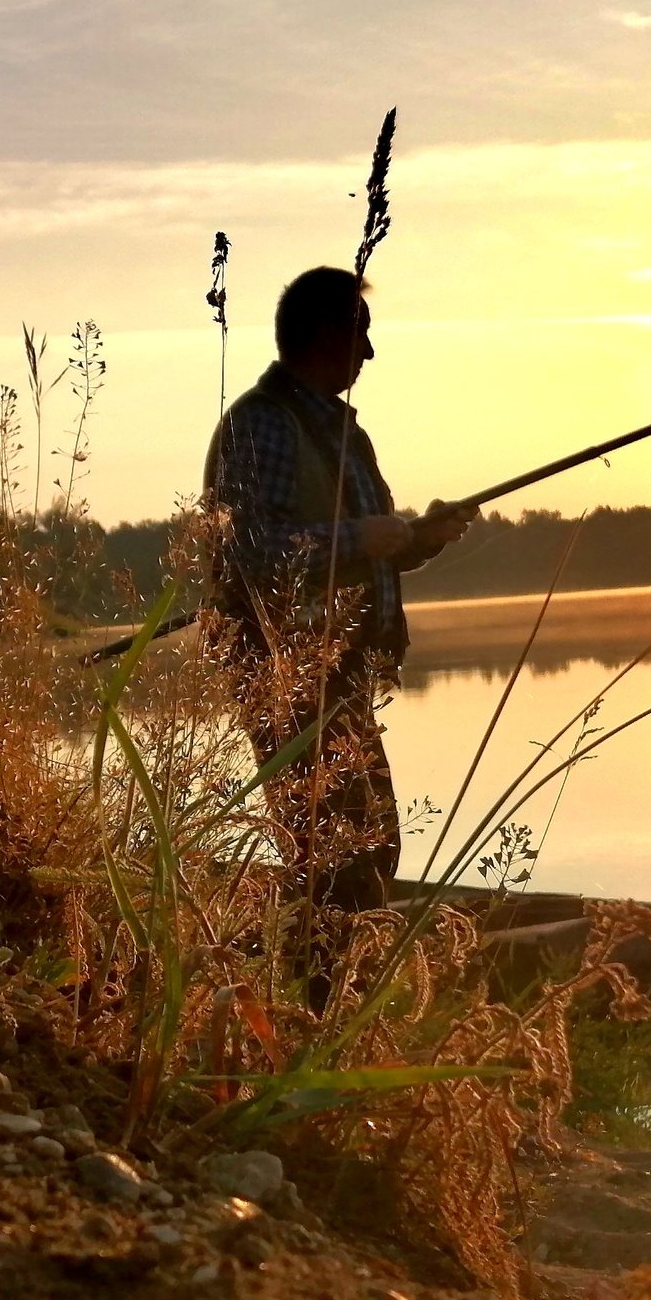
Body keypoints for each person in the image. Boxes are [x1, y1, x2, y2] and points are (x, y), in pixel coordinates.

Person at [203, 266, 476, 912]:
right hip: (289, 674)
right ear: (328, 333)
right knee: (335, 853)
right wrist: (358, 537)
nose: (370, 352)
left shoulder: (343, 432)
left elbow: (368, 552)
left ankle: (335, 988)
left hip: (341, 675)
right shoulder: (261, 425)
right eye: (363, 334)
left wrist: (421, 536)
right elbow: (247, 554)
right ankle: (319, 991)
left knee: (369, 846)